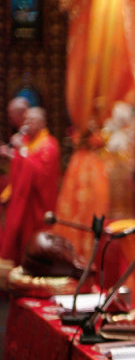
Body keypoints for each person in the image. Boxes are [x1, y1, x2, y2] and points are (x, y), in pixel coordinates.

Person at [0, 107, 60, 264]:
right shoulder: (26, 141)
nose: (26, 124)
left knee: (33, 241)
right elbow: (21, 168)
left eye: (31, 120)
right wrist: (13, 154)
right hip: (22, 202)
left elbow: (41, 175)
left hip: (37, 204)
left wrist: (22, 151)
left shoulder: (49, 145)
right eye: (25, 120)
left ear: (42, 123)